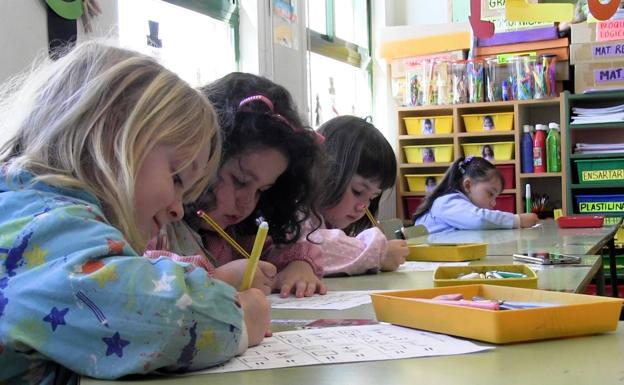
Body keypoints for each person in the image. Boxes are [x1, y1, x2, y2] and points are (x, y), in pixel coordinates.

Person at [0, 42, 270, 383]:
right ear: (110, 138)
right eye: (176, 177)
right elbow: (148, 311)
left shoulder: (23, 203)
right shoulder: (51, 225)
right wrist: (239, 316)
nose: (176, 208)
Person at [168, 72, 328, 298]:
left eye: (262, 190)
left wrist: (299, 266)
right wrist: (219, 281)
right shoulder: (160, 227)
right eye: (240, 181)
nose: (247, 203)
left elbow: (278, 252)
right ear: (206, 156)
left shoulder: (236, 235)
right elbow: (145, 287)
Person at [304, 116, 409, 275]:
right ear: (324, 172)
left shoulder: (329, 221)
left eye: (372, 197)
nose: (363, 206)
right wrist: (379, 253)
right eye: (358, 191)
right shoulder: (297, 212)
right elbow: (307, 247)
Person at [413, 156, 538, 233]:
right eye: (490, 194)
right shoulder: (447, 202)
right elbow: (479, 220)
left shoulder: (457, 203)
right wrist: (518, 220)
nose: (493, 203)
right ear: (468, 185)